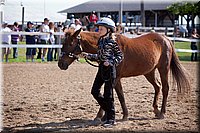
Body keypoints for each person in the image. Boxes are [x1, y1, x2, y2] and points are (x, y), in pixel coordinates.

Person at [82, 17, 123, 127]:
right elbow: (99, 57)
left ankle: (111, 119)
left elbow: (120, 56)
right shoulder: (101, 41)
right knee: (94, 91)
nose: (98, 31)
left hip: (109, 70)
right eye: (98, 28)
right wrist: (88, 55)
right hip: (101, 69)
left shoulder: (112, 42)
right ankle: (109, 111)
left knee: (108, 94)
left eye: (101, 29)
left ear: (108, 30)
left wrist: (110, 62)